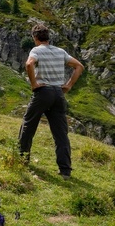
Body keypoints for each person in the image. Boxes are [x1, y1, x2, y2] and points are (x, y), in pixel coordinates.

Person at [19, 23, 84, 179]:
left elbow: (29, 64)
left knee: (28, 126)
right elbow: (79, 66)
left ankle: (22, 160)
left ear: (35, 38)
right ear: (48, 37)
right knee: (61, 134)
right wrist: (68, 86)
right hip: (58, 94)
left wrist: (34, 83)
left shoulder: (36, 50)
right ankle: (65, 171)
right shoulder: (60, 52)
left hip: (43, 92)